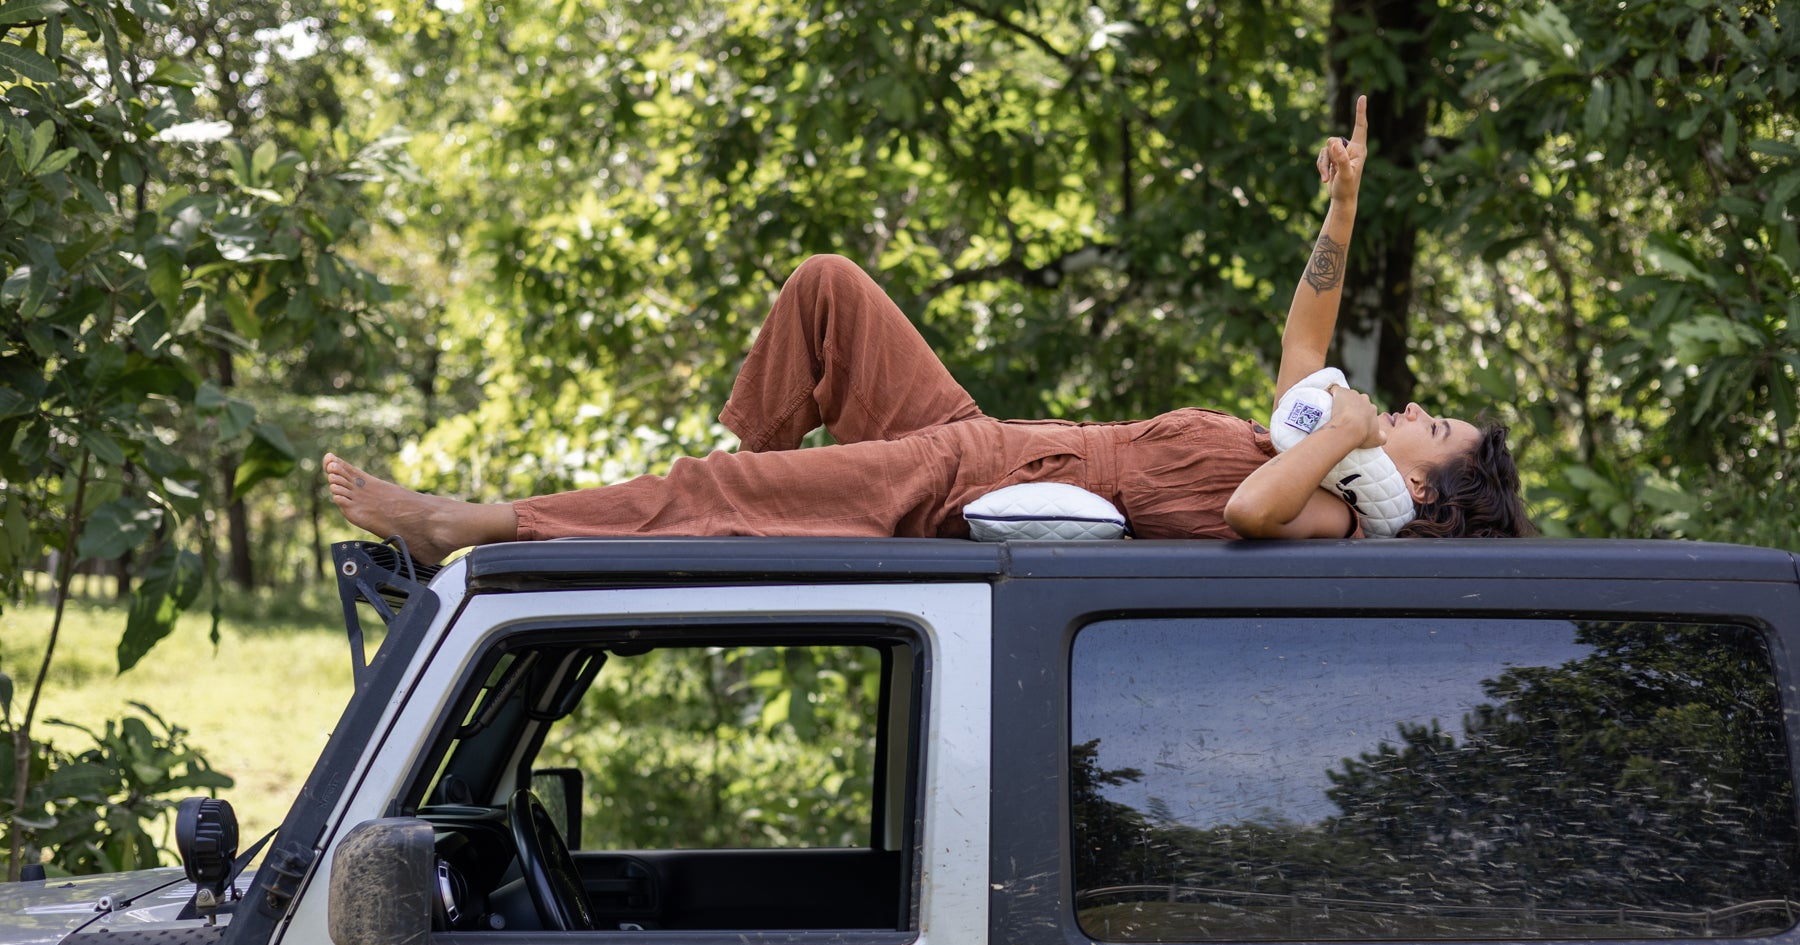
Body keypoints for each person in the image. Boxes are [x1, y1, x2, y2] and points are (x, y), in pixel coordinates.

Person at [325, 97, 1533, 564]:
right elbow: (1305, 329)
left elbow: (1247, 514)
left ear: (1431, 498)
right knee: (829, 288)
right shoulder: (1327, 449)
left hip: (975, 477)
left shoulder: (1328, 507)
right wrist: (1345, 203)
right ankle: (747, 508)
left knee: (703, 487)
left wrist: (1351, 433)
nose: (1414, 411)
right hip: (989, 442)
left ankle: (465, 526)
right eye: (1419, 411)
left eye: (1438, 430)